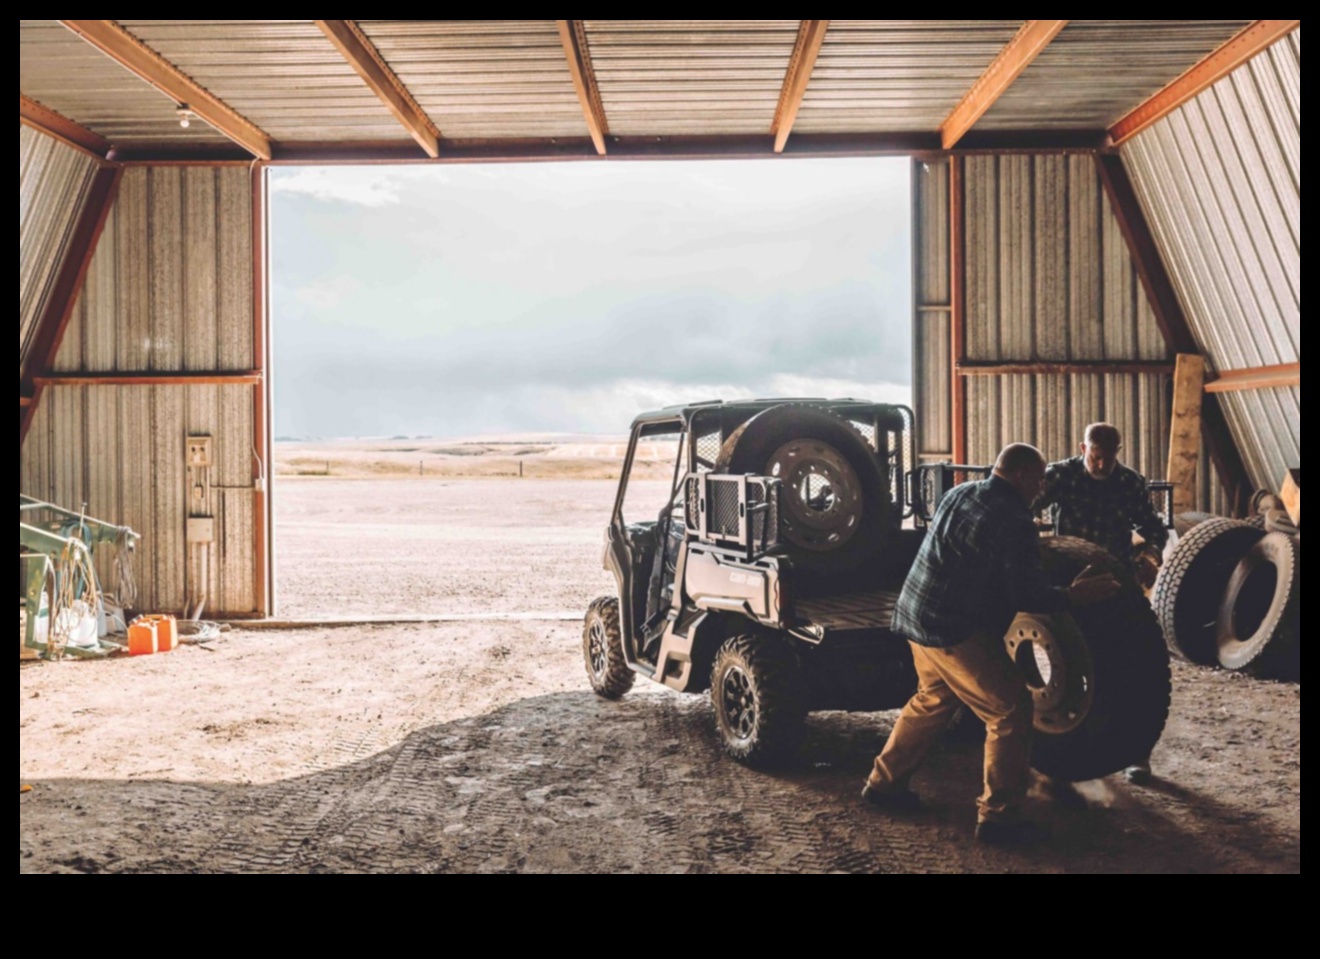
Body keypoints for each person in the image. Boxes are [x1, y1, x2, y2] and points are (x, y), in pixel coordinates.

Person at [861, 444, 1120, 846]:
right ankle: (999, 819)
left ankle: (883, 784)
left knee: (933, 699)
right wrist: (1074, 595)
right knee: (1011, 710)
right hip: (953, 631)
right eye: (1038, 480)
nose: (1040, 488)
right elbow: (1026, 593)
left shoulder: (960, 493)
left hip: (915, 616)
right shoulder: (1013, 520)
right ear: (1019, 476)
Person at [1035, 422, 1168, 786]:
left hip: (1114, 583)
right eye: (1095, 456)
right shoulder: (1061, 476)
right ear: (1083, 448)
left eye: (1109, 458)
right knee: (1074, 663)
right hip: (1070, 581)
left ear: (1118, 453)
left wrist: (1151, 555)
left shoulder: (1129, 483)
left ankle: (1136, 753)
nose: (1101, 464)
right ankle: (1062, 752)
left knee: (1132, 666)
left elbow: (1154, 528)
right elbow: (1024, 504)